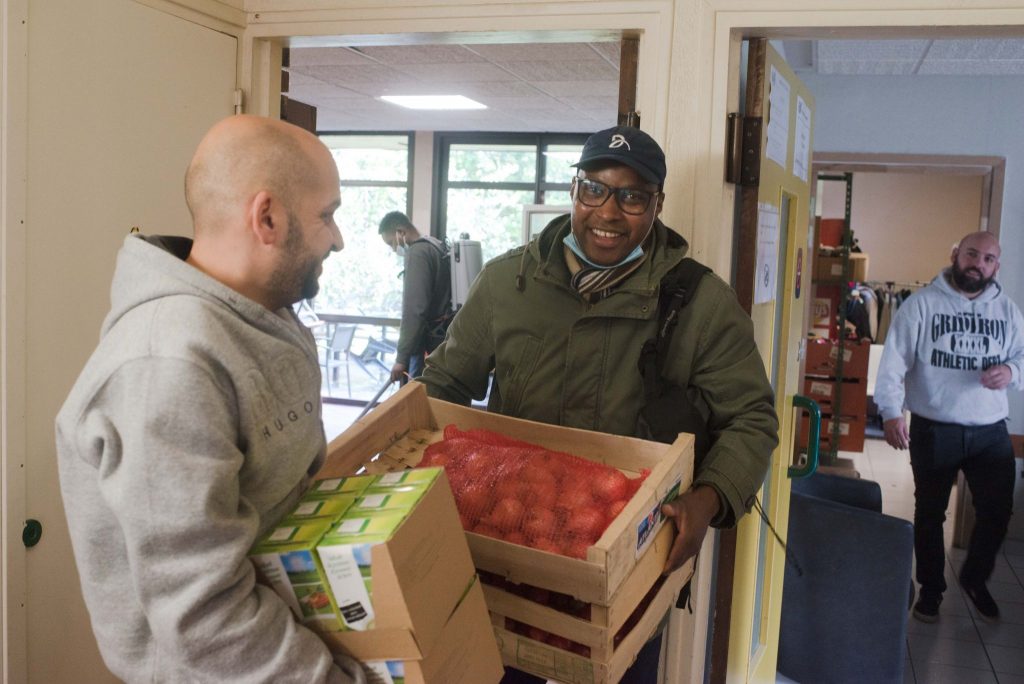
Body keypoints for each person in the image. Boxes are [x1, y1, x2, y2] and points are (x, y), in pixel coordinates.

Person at [418, 125, 778, 681]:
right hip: (510, 551)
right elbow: (442, 385)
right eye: (595, 189)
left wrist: (709, 498)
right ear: (575, 190)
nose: (609, 212)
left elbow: (751, 418)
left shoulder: (701, 302)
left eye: (633, 196)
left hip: (625, 565)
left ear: (657, 204)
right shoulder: (505, 283)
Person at [55, 115, 366, 683]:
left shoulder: (265, 316)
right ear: (267, 217)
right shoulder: (167, 363)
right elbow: (205, 617)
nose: (337, 239)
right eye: (328, 215)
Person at [875, 231, 1023, 625]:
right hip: (934, 428)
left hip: (990, 431)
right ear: (956, 255)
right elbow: (894, 362)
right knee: (929, 513)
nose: (979, 263)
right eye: (972, 254)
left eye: (989, 258)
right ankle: (931, 591)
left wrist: (1011, 370)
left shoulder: (1007, 311)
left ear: (996, 266)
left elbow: (1023, 356)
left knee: (996, 511)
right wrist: (891, 412)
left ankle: (975, 578)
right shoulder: (921, 306)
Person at [378, 211, 453, 383]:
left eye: (391, 242)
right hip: (442, 341)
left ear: (401, 232)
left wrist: (401, 359)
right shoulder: (436, 246)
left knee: (414, 402)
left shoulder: (417, 253)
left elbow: (414, 310)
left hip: (426, 346)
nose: (392, 248)